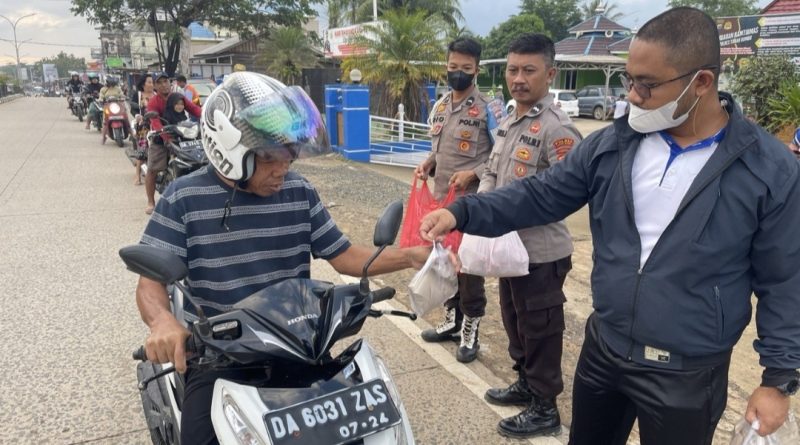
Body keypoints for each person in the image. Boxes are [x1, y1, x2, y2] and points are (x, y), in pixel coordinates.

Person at [420, 7, 800, 445]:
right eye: (629, 80)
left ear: (701, 83)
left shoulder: (766, 168)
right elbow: (542, 194)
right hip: (605, 352)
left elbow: (785, 279)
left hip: (688, 373)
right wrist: (462, 214)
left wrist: (778, 378)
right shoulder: (615, 144)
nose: (633, 96)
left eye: (648, 84)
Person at [135, 71, 430, 445]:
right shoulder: (183, 198)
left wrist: (410, 256)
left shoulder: (298, 192)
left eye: (289, 155)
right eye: (270, 158)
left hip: (299, 345)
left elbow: (343, 256)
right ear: (229, 148)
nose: (283, 169)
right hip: (221, 356)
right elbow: (149, 281)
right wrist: (162, 322)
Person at [476, 33, 581, 439]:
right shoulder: (507, 121)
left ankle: (545, 407)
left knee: (541, 329)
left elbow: (569, 194)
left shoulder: (558, 129)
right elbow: (490, 171)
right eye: (512, 69)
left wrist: (509, 210)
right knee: (514, 320)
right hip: (507, 249)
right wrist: (482, 209)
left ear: (550, 74)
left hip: (541, 252)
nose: (517, 79)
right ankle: (525, 382)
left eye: (528, 70)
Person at [413, 37, 495, 363]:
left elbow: (501, 153)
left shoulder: (491, 108)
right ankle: (451, 320)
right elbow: (439, 148)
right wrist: (429, 162)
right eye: (452, 67)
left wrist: (474, 173)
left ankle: (470, 329)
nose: (457, 73)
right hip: (441, 203)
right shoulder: (441, 105)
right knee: (444, 264)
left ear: (476, 69)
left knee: (469, 269)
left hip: (472, 206)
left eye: (465, 68)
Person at [144, 72, 202, 215]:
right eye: (160, 82)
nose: (164, 85)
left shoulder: (178, 98)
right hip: (162, 137)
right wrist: (166, 138)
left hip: (183, 135)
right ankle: (150, 201)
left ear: (171, 83)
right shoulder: (154, 102)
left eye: (166, 81)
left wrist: (210, 117)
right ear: (156, 86)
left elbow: (195, 110)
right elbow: (156, 123)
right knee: (152, 168)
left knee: (201, 159)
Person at [131, 74, 155, 185]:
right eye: (149, 82)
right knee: (142, 148)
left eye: (152, 82)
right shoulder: (138, 94)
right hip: (143, 125)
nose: (151, 84)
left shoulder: (156, 95)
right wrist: (137, 116)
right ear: (143, 84)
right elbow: (133, 109)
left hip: (155, 124)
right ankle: (137, 175)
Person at [98, 77, 125, 144]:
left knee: (125, 117)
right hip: (107, 106)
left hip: (118, 105)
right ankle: (103, 137)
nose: (112, 85)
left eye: (114, 84)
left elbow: (121, 94)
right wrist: (101, 100)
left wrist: (123, 97)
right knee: (105, 122)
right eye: (111, 83)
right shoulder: (103, 89)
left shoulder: (118, 88)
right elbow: (101, 96)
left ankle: (132, 135)